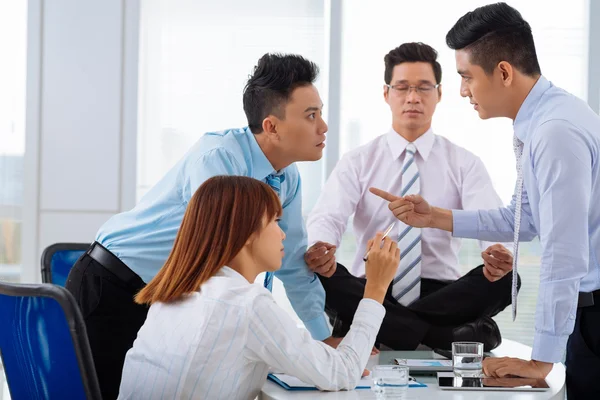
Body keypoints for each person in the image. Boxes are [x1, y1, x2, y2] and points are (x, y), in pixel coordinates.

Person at [65, 53, 338, 398]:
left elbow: (293, 259)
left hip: (161, 296)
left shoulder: (287, 177)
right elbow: (218, 252)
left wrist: (320, 336)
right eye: (311, 115)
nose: (323, 126)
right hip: (115, 284)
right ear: (271, 126)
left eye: (321, 113)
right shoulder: (219, 159)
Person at [372, 3, 600, 398]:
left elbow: (565, 253)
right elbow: (522, 219)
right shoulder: (542, 122)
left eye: (466, 77)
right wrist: (436, 217)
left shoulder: (554, 132)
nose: (462, 91)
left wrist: (540, 360)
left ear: (504, 72)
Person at [306, 42, 517, 352]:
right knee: (320, 275)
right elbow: (327, 216)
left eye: (423, 88)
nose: (413, 98)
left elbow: (490, 219)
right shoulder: (358, 161)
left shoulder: (463, 162)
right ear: (386, 93)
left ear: (440, 93)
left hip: (445, 294)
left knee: (508, 279)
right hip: (374, 287)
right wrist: (321, 247)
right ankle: (442, 336)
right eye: (402, 87)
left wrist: (498, 253)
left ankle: (383, 328)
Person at [117, 176, 400, 399]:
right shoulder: (245, 303)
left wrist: (315, 353)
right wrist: (375, 288)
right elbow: (343, 374)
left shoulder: (175, 294)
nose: (283, 233)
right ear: (244, 232)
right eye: (275, 221)